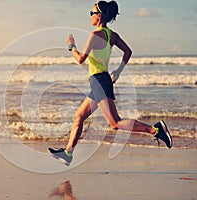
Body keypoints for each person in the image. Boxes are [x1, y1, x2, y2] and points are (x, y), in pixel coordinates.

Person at [49, 1, 172, 166]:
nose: (90, 16)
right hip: (100, 81)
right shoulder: (111, 35)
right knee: (79, 116)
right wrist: (118, 71)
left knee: (115, 123)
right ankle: (67, 153)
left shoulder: (94, 35)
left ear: (99, 15)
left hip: (99, 81)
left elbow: (80, 59)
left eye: (91, 13)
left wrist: (71, 46)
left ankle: (155, 130)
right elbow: (128, 52)